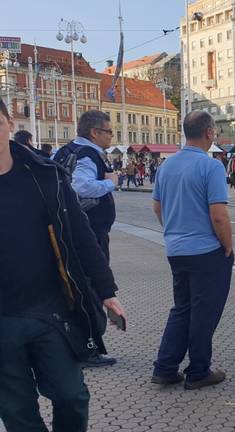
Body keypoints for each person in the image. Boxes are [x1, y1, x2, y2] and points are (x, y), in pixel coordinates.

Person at [0, 98, 127, 431]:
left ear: (9, 123)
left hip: (49, 310)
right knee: (16, 411)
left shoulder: (45, 175)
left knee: (72, 396)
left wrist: (106, 290)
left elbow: (80, 236)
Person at [151, 111, 233, 390]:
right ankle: (198, 371)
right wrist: (228, 246)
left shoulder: (166, 166)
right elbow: (218, 215)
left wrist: (174, 232)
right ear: (209, 132)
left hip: (176, 250)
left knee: (182, 308)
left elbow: (157, 207)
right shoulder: (211, 167)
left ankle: (165, 368)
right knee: (204, 312)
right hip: (206, 251)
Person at [52, 110, 120, 368]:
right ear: (95, 132)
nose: (111, 136)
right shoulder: (88, 154)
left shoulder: (64, 151)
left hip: (67, 231)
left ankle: (73, 344)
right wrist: (110, 183)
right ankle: (89, 347)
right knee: (91, 289)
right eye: (109, 131)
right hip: (89, 234)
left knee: (75, 288)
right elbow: (81, 186)